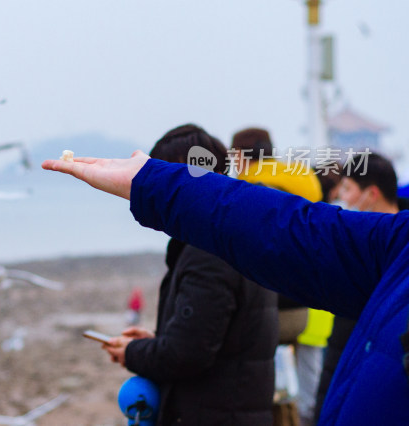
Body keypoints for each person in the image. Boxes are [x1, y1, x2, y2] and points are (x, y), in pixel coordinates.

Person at [42, 150, 409, 425]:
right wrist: (153, 182)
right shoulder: (396, 247)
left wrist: (139, 351)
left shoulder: (205, 260)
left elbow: (191, 349)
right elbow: (286, 229)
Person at [102, 124, 278, 425]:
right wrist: (156, 342)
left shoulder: (209, 250)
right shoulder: (234, 234)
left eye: (160, 182)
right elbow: (211, 336)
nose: (153, 195)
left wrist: (133, 352)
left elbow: (187, 355)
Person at [230, 127, 330, 425]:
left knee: (259, 380)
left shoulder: (249, 193)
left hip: (267, 310)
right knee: (306, 384)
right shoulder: (302, 186)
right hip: (304, 307)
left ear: (242, 155)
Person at [313, 151, 406, 424]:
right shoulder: (348, 250)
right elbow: (337, 354)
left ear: (372, 193)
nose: (341, 196)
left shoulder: (392, 254)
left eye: (347, 188)